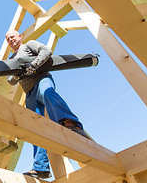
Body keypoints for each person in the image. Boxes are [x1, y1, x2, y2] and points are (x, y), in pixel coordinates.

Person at [5, 30, 90, 179]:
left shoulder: (29, 45)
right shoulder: (11, 58)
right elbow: (9, 79)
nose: (10, 39)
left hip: (41, 79)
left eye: (12, 36)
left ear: (19, 37)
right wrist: (17, 75)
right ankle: (41, 167)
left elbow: (46, 51)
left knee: (48, 94)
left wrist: (33, 64)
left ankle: (71, 125)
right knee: (36, 127)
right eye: (8, 38)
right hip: (29, 93)